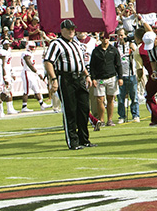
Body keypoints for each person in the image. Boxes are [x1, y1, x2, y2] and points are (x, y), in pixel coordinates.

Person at [43, 19, 94, 150]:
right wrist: (53, 79)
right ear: (62, 30)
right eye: (69, 29)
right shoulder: (56, 44)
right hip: (66, 78)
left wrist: (87, 75)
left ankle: (84, 139)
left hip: (79, 78)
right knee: (70, 110)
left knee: (83, 109)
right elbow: (48, 61)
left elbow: (81, 62)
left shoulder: (76, 43)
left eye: (73, 29)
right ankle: (73, 141)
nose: (72, 31)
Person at [89, 31, 123, 128]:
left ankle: (110, 119)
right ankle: (101, 119)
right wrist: (93, 78)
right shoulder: (96, 51)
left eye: (106, 37)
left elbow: (118, 64)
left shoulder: (114, 50)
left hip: (111, 77)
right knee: (100, 99)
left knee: (110, 99)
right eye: (103, 37)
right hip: (100, 78)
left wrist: (120, 77)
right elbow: (92, 66)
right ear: (100, 39)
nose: (105, 39)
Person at [20, 41, 47, 112]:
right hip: (27, 72)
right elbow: (29, 64)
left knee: (36, 89)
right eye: (31, 47)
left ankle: (42, 104)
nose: (32, 48)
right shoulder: (26, 54)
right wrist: (38, 73)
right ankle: (24, 107)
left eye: (33, 47)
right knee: (26, 91)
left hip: (31, 73)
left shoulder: (30, 54)